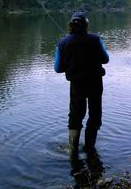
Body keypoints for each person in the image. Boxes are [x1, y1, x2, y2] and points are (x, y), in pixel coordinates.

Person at [54, 12, 109, 158]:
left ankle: (73, 151)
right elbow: (105, 59)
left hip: (77, 85)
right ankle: (90, 148)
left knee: (75, 115)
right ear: (86, 25)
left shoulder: (62, 43)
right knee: (95, 115)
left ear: (71, 25)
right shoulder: (96, 39)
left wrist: (70, 61)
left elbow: (58, 68)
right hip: (95, 83)